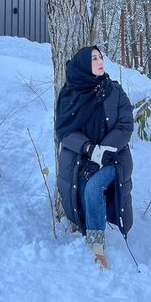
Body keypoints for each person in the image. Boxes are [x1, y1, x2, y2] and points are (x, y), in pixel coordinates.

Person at [55, 45, 134, 268]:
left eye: (101, 57)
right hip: (82, 158)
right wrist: (89, 149)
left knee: (93, 187)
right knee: (79, 190)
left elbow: (126, 124)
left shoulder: (114, 91)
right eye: (94, 59)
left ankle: (97, 246)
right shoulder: (71, 93)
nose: (100, 62)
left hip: (113, 158)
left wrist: (103, 150)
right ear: (83, 65)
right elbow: (64, 130)